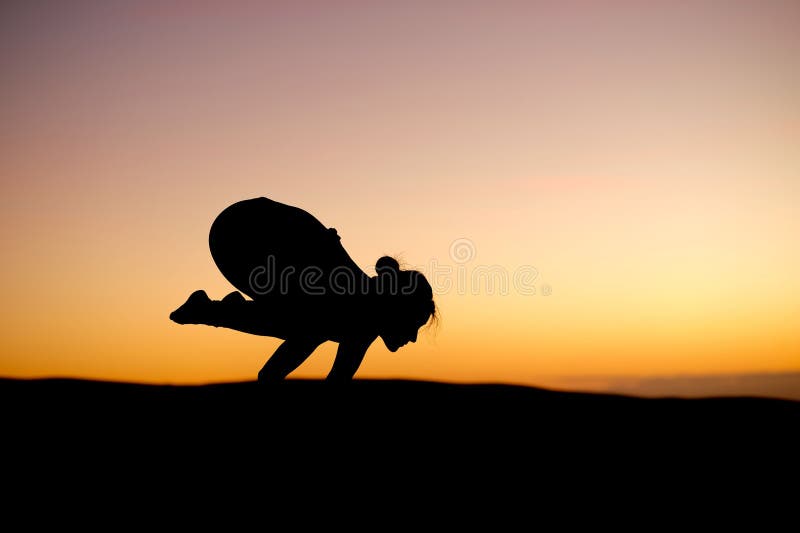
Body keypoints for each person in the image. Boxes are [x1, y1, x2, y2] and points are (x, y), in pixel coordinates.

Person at [170, 196, 437, 383]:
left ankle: (214, 309)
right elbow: (303, 346)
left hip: (249, 231)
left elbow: (335, 377)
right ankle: (213, 309)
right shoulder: (351, 306)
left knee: (300, 321)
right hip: (241, 230)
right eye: (412, 324)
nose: (412, 338)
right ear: (394, 308)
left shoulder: (361, 324)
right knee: (299, 322)